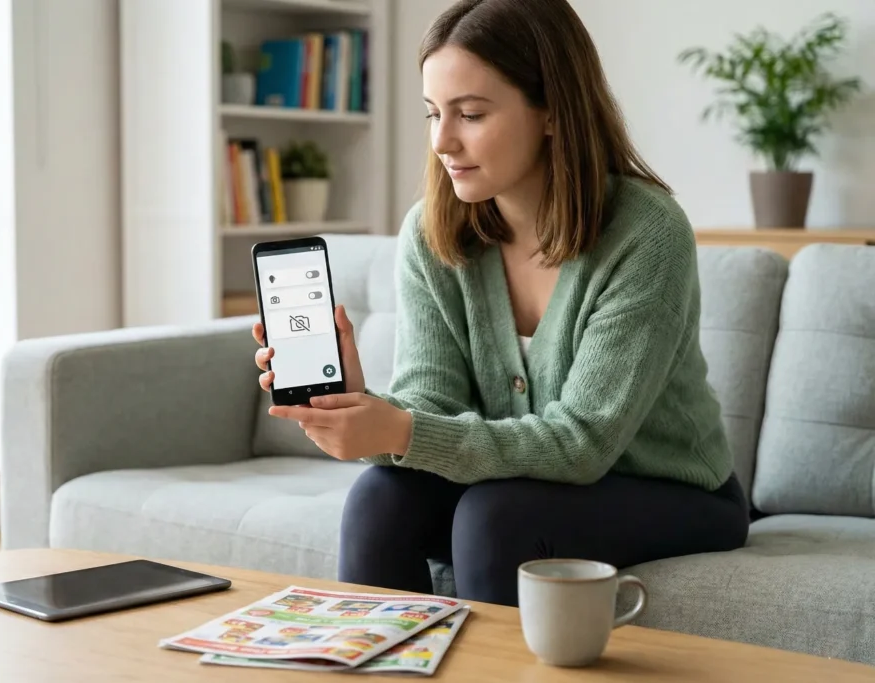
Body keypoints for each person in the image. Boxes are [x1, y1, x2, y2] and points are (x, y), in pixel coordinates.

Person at [251, 0, 749, 607]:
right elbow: (433, 405)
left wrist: (401, 429)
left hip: (672, 491)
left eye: (471, 114)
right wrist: (365, 407)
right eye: (434, 113)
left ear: (551, 112)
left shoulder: (647, 234)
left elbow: (583, 442)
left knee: (495, 517)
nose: (442, 140)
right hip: (520, 484)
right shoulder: (432, 234)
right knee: (380, 499)